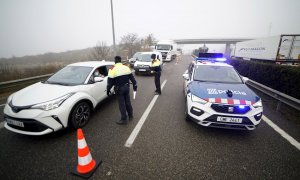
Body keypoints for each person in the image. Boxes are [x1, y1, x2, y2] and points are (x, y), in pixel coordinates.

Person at [107, 56, 137, 125]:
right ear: (120, 61)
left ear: (115, 61)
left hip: (119, 89)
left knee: (122, 104)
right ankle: (130, 116)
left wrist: (108, 90)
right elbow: (132, 78)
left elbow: (110, 82)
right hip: (127, 87)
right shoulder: (126, 67)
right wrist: (135, 85)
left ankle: (124, 119)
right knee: (128, 102)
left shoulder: (112, 69)